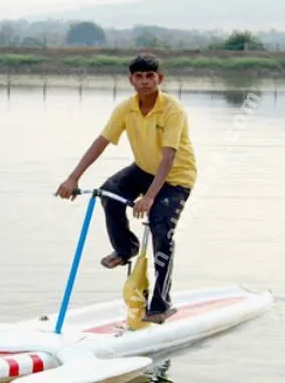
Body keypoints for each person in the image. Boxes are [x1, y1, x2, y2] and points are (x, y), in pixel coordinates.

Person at [55, 53, 197, 324]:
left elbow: (168, 157)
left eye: (150, 77)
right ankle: (126, 248)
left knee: (161, 230)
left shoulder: (172, 109)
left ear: (160, 79)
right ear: (131, 79)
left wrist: (150, 197)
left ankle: (161, 302)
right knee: (109, 193)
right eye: (139, 77)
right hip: (143, 169)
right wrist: (73, 178)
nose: (144, 82)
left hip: (176, 177)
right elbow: (101, 142)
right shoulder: (125, 108)